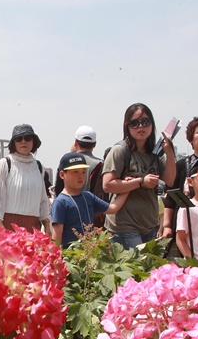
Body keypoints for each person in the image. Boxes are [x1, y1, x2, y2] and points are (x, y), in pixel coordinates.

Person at [102, 103, 177, 250]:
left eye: (146, 121)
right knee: (137, 269)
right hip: (125, 225)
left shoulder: (154, 154)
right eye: (135, 123)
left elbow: (170, 180)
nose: (141, 126)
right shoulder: (120, 150)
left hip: (149, 225)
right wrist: (141, 182)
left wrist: (169, 153)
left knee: (146, 271)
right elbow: (107, 185)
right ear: (127, 126)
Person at [51, 152, 126, 247]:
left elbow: (112, 209)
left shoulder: (88, 196)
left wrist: (128, 188)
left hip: (88, 253)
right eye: (75, 172)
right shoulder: (60, 202)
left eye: (83, 172)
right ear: (62, 174)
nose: (80, 176)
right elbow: (56, 236)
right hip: (70, 256)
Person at [0, 124, 51, 234]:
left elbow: (43, 199)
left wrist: (46, 224)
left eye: (27, 138)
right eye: (19, 139)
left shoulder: (39, 167)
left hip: (33, 227)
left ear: (33, 142)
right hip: (9, 226)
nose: (23, 142)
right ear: (13, 143)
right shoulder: (5, 164)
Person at [53, 126, 101, 195]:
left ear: (75, 142)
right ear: (95, 144)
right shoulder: (100, 164)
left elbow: (58, 189)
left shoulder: (66, 162)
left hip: (68, 204)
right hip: (92, 205)